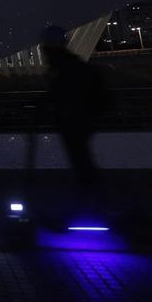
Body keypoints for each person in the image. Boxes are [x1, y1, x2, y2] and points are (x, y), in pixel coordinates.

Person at [40, 25, 107, 199]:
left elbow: (62, 91)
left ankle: (90, 197)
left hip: (74, 119)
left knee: (80, 158)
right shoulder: (66, 63)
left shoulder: (62, 66)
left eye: (45, 45)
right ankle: (91, 196)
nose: (42, 49)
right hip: (79, 118)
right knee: (81, 158)